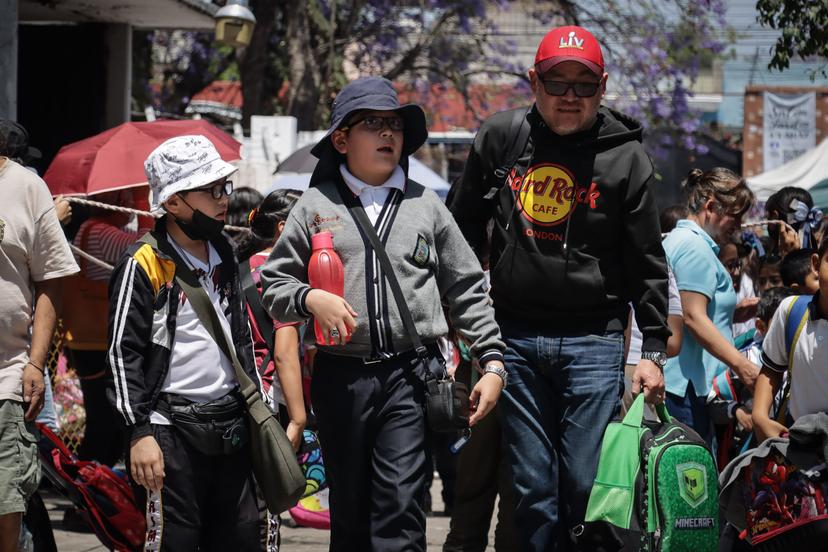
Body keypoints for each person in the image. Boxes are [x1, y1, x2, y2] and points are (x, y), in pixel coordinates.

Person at [260, 77, 506, 552]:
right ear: (341, 140)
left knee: (401, 509)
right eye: (372, 123)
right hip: (340, 378)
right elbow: (273, 284)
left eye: (394, 124)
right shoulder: (314, 205)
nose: (388, 133)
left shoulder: (426, 205)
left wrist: (492, 361)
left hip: (411, 377)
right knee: (349, 517)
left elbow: (469, 287)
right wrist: (311, 299)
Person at [447, 25, 670, 551]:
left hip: (593, 339)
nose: (570, 96)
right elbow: (459, 235)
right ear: (534, 82)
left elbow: (646, 260)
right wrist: (462, 323)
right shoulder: (503, 137)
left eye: (584, 84)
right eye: (557, 82)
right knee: (530, 486)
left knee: (585, 482)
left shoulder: (627, 158)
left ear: (603, 87)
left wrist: (654, 349)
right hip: (513, 339)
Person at [106, 135, 263, 550]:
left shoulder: (224, 251)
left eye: (224, 186)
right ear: (173, 202)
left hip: (233, 424)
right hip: (169, 432)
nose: (223, 198)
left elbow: (241, 337)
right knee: (177, 541)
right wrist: (139, 433)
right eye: (211, 190)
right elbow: (123, 354)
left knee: (242, 536)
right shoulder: (143, 263)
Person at [0, 123, 79, 552]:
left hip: (6, 379)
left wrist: (34, 362)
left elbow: (52, 278)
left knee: (7, 503)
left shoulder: (26, 187)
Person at [663, 168, 756, 444]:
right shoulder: (695, 248)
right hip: (686, 389)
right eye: (735, 216)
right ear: (711, 207)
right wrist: (742, 365)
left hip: (681, 385)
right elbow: (692, 317)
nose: (738, 226)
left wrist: (733, 314)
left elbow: (683, 309)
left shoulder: (680, 240)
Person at [64, 188, 154, 467]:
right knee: (105, 427)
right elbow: (149, 248)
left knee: (107, 426)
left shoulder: (91, 230)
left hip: (89, 340)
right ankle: (89, 495)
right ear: (116, 201)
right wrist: (143, 203)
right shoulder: (100, 232)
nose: (130, 204)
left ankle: (92, 495)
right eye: (126, 198)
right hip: (100, 343)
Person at [234, 188, 305, 449]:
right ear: (284, 227)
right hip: (274, 397)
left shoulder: (242, 265)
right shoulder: (282, 274)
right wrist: (298, 419)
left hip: (244, 390)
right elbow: (284, 354)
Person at [753, 235, 828, 441]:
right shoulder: (792, 311)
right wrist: (759, 416)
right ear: (815, 264)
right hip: (798, 450)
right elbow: (771, 370)